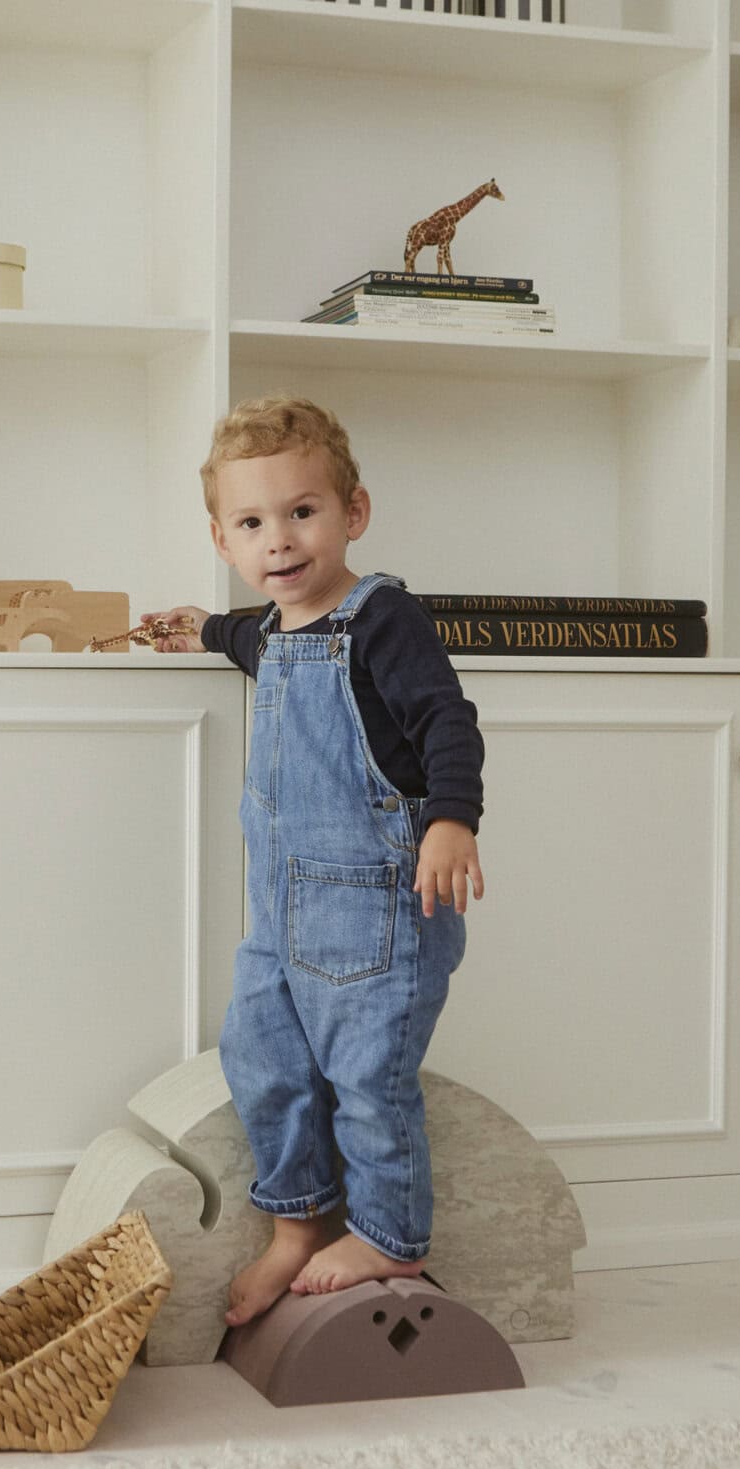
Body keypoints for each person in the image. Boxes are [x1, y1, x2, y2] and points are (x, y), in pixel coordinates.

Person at [140, 394, 486, 1325]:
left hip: (379, 916)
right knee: (263, 1062)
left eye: (303, 512)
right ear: (223, 539)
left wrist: (452, 818)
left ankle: (387, 1235)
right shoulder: (271, 630)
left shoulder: (384, 620)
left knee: (369, 1080)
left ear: (353, 513)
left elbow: (446, 720)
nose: (281, 541)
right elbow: (242, 637)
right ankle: (295, 1220)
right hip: (281, 924)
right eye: (254, 523)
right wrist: (197, 629)